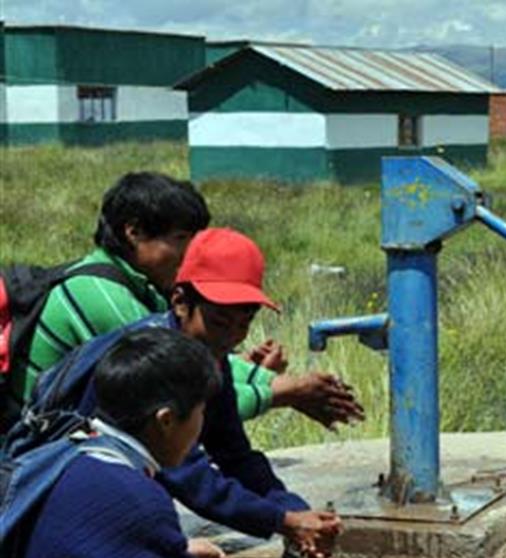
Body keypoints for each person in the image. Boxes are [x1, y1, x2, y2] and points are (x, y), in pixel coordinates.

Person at [25, 227, 344, 557]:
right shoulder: (151, 364)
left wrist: (296, 511)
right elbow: (189, 477)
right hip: (65, 499)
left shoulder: (205, 356)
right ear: (180, 302)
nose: (231, 337)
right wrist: (284, 521)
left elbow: (233, 452)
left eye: (244, 324)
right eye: (220, 322)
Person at [13, 171, 360, 428]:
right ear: (133, 232)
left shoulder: (141, 288)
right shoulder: (98, 296)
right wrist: (285, 391)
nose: (191, 253)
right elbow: (181, 396)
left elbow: (193, 359)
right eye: (181, 238)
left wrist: (259, 375)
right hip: (32, 461)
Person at [25, 328, 227, 558]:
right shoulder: (142, 501)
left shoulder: (63, 455)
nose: (201, 423)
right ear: (166, 420)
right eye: (201, 411)